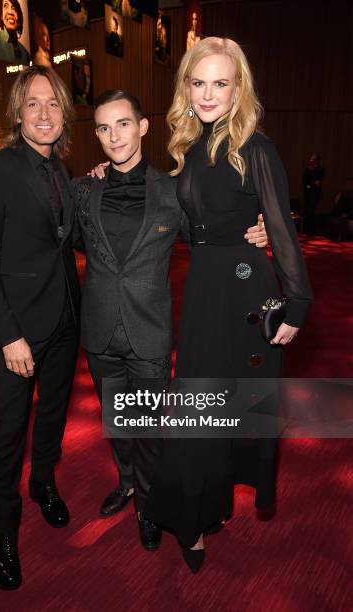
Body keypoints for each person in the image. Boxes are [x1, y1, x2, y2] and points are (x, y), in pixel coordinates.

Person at [144, 37, 313, 573]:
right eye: (199, 83)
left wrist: (297, 303)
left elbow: (281, 228)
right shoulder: (189, 148)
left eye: (221, 83)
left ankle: (195, 518)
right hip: (202, 295)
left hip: (246, 294)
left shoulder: (256, 149)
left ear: (238, 88)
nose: (209, 93)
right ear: (185, 88)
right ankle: (199, 514)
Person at [72, 89, 268, 551]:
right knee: (118, 421)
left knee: (148, 428)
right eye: (103, 127)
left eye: (123, 124)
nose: (113, 136)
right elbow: (73, 245)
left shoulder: (172, 190)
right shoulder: (85, 188)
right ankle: (126, 483)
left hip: (149, 332)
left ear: (142, 127)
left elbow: (209, 242)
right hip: (99, 331)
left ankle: (147, 501)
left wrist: (256, 231)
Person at [0, 65, 80, 590]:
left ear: (64, 113)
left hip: (64, 320)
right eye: (32, 103)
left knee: (53, 416)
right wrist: (8, 336)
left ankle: (44, 484)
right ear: (17, 112)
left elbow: (72, 237)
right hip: (18, 330)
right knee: (9, 432)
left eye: (52, 103)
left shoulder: (64, 171)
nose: (43, 114)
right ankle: (5, 530)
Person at [0, 0, 30, 64]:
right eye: (5, 6)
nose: (10, 12)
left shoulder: (25, 52)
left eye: (14, 8)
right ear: (1, 15)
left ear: (19, 17)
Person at [302, 153, 324, 235]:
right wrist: (311, 183)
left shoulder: (320, 169)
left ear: (317, 160)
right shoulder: (307, 169)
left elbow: (318, 181)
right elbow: (304, 181)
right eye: (311, 159)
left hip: (315, 194)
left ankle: (311, 231)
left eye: (313, 159)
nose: (311, 160)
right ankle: (305, 230)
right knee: (306, 211)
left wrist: (312, 181)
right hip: (307, 193)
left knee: (312, 212)